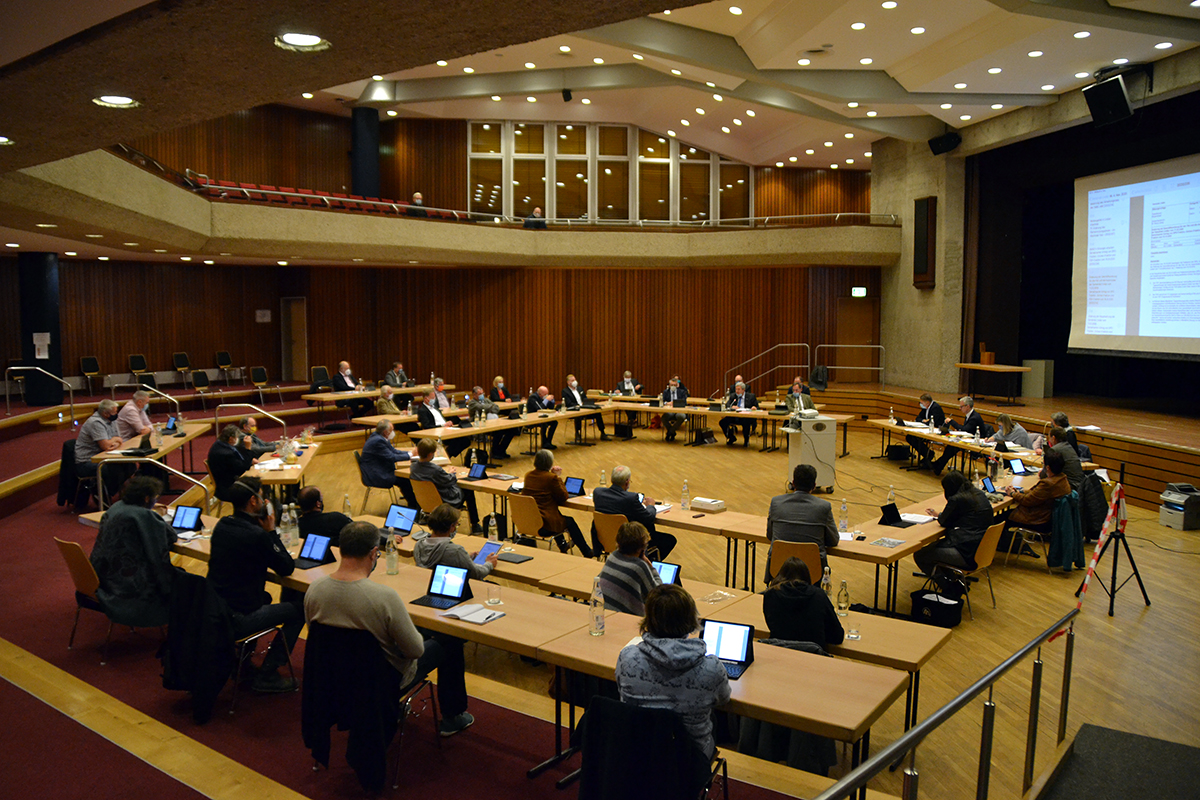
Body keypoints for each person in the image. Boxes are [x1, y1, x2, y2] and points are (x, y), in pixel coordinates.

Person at [303, 520, 475, 737]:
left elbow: (316, 633)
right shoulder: (384, 597)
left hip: (331, 676)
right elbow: (415, 650)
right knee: (449, 640)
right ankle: (453, 716)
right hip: (379, 681)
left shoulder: (315, 589)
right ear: (373, 553)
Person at [207, 476, 303, 693]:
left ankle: (242, 663)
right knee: (300, 611)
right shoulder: (257, 535)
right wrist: (271, 532)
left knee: (266, 598)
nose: (264, 501)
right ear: (253, 501)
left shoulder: (223, 525)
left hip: (215, 610)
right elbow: (286, 567)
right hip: (238, 617)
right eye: (262, 497)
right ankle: (268, 674)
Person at [615, 584, 731, 763]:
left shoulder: (628, 657)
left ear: (648, 620)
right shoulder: (712, 669)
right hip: (689, 763)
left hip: (636, 756)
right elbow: (724, 699)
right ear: (690, 619)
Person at [89, 475, 178, 628]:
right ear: (147, 498)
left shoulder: (116, 507)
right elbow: (170, 537)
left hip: (104, 579)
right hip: (129, 586)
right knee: (189, 582)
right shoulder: (143, 516)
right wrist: (157, 516)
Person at [914, 470, 995, 578]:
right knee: (934, 546)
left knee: (921, 555)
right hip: (982, 549)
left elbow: (944, 521)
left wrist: (941, 515)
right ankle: (952, 580)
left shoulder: (957, 499)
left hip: (966, 553)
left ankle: (951, 585)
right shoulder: (978, 493)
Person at [764, 464, 838, 582]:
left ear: (793, 483)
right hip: (812, 574)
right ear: (814, 485)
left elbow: (770, 535)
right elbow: (833, 541)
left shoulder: (776, 503)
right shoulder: (823, 507)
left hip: (779, 572)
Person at [594, 465, 676, 559]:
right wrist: (650, 505)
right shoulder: (631, 498)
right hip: (629, 543)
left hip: (605, 539)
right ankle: (646, 562)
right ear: (627, 482)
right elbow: (649, 518)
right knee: (669, 540)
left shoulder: (598, 493)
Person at [761, 557, 843, 651]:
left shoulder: (770, 595)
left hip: (779, 653)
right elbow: (837, 636)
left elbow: (772, 626)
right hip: (813, 656)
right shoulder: (819, 596)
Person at [522, 449, 593, 556]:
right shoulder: (552, 478)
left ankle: (563, 545)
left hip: (528, 520)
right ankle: (586, 552)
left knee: (556, 516)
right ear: (550, 463)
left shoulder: (528, 475)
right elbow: (563, 496)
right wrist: (558, 477)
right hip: (544, 524)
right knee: (568, 521)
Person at [410, 438, 481, 532]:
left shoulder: (413, 467)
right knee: (468, 490)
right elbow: (449, 480)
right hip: (443, 500)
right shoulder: (435, 470)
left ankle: (422, 517)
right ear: (431, 454)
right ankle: (475, 525)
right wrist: (452, 473)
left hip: (424, 501)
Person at [413, 502, 497, 579]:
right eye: (457, 525)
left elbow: (446, 560)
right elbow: (477, 574)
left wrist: (466, 559)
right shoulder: (455, 551)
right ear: (452, 527)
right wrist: (489, 563)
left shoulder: (418, 545)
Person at [597, 521, 662, 615]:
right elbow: (658, 595)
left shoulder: (613, 556)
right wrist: (651, 567)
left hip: (604, 613)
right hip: (624, 618)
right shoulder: (639, 567)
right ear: (642, 548)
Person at [1005, 448, 1071, 535]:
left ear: (1047, 467)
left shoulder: (1048, 484)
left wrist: (1012, 493)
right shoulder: (1063, 479)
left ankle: (1004, 542)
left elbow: (1027, 500)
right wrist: (1020, 491)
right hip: (1047, 518)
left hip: (1037, 520)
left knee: (1000, 518)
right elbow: (1037, 494)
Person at [360, 420, 420, 510]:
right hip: (377, 474)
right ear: (385, 432)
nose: (393, 432)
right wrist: (410, 455)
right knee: (405, 479)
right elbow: (391, 457)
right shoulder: (378, 441)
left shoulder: (379, 436)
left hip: (379, 468)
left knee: (404, 478)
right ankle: (413, 506)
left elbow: (393, 451)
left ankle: (414, 503)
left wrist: (410, 453)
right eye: (392, 430)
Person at [75, 399, 128, 496]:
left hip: (103, 456)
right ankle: (102, 495)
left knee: (129, 465)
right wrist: (114, 441)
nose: (116, 414)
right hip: (87, 462)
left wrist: (114, 442)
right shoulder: (95, 422)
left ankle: (112, 492)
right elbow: (106, 446)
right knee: (114, 469)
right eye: (114, 412)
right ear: (105, 413)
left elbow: (119, 440)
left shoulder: (112, 420)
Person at [931, 396, 986, 475]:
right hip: (968, 439)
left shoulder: (974, 417)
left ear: (967, 406)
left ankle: (938, 465)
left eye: (961, 406)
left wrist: (952, 422)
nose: (960, 408)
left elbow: (965, 429)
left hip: (977, 442)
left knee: (952, 447)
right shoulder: (969, 415)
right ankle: (938, 465)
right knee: (951, 446)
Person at [207, 424, 256, 502]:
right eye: (236, 437)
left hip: (226, 481)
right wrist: (248, 448)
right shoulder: (226, 453)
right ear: (231, 439)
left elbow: (239, 462)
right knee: (257, 483)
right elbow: (244, 468)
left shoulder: (219, 444)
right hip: (228, 487)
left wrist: (250, 460)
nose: (237, 439)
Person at [415, 388, 470, 459]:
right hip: (436, 432)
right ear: (426, 398)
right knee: (460, 441)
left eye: (434, 398)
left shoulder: (435, 407)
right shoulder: (422, 410)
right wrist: (442, 425)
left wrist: (448, 423)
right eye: (432, 398)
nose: (434, 399)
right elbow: (427, 426)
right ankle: (447, 455)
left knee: (466, 440)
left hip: (446, 429)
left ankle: (447, 454)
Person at [467, 385, 514, 459]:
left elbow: (497, 408)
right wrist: (491, 407)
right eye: (480, 394)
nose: (482, 395)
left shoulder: (486, 400)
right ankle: (495, 452)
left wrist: (489, 408)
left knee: (511, 430)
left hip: (492, 422)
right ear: (474, 395)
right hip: (480, 425)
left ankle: (501, 451)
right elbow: (482, 408)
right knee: (498, 432)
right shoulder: (472, 403)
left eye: (482, 393)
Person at [563, 373, 609, 441]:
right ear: (568, 382)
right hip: (575, 410)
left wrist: (586, 403)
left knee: (597, 413)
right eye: (572, 380)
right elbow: (568, 403)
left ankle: (603, 433)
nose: (574, 382)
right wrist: (579, 405)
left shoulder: (580, 388)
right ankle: (577, 433)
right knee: (578, 415)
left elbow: (585, 398)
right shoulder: (565, 391)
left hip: (585, 408)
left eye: (575, 380)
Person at [906, 393, 946, 468]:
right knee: (910, 437)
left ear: (927, 402)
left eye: (921, 402)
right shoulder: (925, 408)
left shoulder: (935, 408)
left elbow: (932, 422)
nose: (920, 404)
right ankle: (927, 454)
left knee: (915, 438)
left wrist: (925, 421)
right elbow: (918, 418)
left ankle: (929, 455)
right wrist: (923, 420)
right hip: (926, 429)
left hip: (935, 431)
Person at [1040, 427, 1084, 492]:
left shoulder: (1054, 450)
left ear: (1053, 438)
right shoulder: (1069, 446)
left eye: (1049, 438)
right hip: (1080, 485)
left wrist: (1041, 473)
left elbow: (1046, 474)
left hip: (1069, 485)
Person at [720, 381, 758, 446]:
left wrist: (754, 407)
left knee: (746, 423)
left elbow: (757, 407)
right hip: (735, 416)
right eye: (736, 389)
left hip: (746, 417)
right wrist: (732, 406)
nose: (737, 391)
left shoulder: (751, 396)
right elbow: (727, 404)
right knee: (722, 422)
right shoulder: (733, 396)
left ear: (743, 390)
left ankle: (746, 441)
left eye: (738, 389)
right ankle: (731, 437)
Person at [660, 376, 688, 441]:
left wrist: (675, 402)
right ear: (669, 385)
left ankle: (670, 432)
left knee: (682, 416)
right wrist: (667, 403)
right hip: (669, 410)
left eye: (674, 385)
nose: (673, 386)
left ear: (677, 385)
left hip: (679, 410)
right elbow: (662, 401)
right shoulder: (666, 392)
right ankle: (672, 432)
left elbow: (684, 402)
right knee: (663, 418)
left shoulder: (682, 392)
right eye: (672, 385)